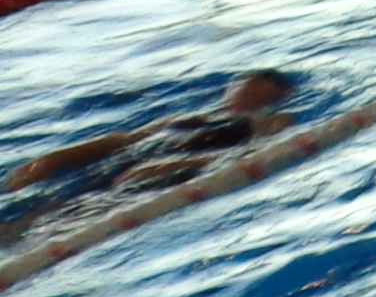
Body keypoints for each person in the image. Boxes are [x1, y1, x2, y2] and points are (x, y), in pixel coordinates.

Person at [3, 70, 297, 218]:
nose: (244, 87)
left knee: (72, 213)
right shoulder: (181, 117)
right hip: (125, 166)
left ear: (278, 94)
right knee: (48, 207)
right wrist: (53, 160)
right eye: (242, 82)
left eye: (255, 84)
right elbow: (123, 140)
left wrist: (163, 168)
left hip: (155, 176)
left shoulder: (271, 119)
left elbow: (252, 153)